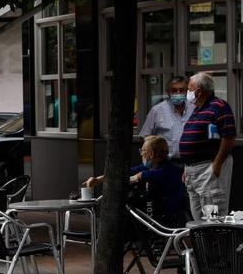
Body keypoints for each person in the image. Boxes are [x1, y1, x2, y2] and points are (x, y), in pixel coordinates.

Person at [85, 135, 187, 227]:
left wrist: (119, 182)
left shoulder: (168, 170)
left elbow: (140, 176)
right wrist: (98, 179)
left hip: (169, 218)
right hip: (157, 215)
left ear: (151, 154)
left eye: (142, 151)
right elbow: (125, 173)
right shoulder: (151, 167)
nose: (141, 154)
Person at [179, 72, 236, 218]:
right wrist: (187, 167)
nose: (188, 92)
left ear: (198, 91)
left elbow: (228, 137)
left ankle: (215, 241)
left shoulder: (219, 106)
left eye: (189, 89)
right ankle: (203, 242)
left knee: (213, 215)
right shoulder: (198, 109)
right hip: (193, 171)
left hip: (208, 168)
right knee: (197, 216)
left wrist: (217, 164)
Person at [139, 76, 193, 164]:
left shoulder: (194, 109)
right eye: (174, 90)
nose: (178, 93)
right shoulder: (157, 111)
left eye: (181, 90)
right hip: (166, 163)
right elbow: (145, 136)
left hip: (191, 162)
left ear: (187, 91)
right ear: (168, 92)